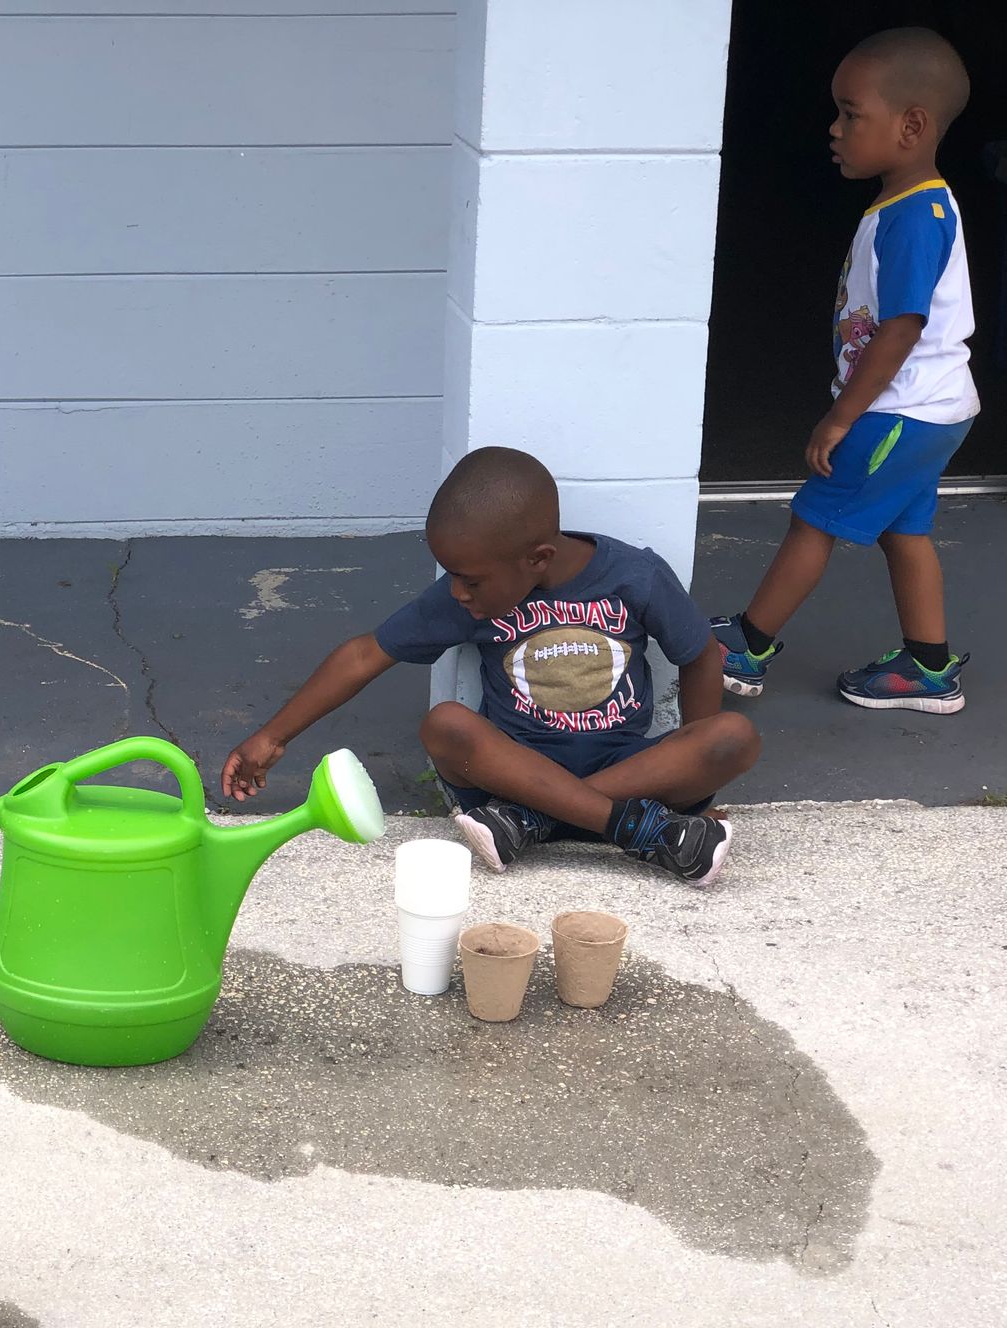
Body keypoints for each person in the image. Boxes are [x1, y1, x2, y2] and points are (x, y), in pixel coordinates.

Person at [222, 448, 761, 887]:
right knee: (445, 724)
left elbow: (697, 658)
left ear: (539, 558)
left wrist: (694, 742)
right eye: (451, 576)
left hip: (617, 772)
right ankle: (637, 829)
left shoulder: (634, 576)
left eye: (470, 580)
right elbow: (366, 653)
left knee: (733, 736)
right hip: (514, 775)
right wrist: (272, 737)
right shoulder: (470, 595)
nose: (458, 592)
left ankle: (539, 822)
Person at [715, 28, 979, 714]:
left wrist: (841, 416)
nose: (834, 130)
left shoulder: (914, 217)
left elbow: (902, 326)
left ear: (911, 124)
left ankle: (746, 648)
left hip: (900, 408)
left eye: (850, 114)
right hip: (933, 408)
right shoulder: (910, 204)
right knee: (904, 529)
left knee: (815, 520)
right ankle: (928, 666)